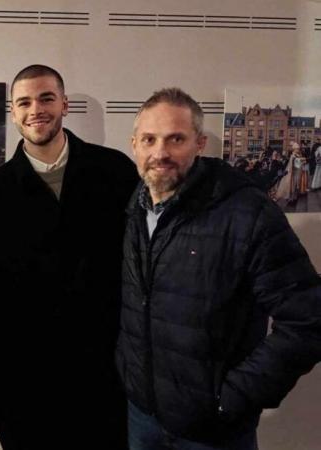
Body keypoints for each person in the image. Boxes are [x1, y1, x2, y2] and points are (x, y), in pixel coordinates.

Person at [117, 87, 321, 450]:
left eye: (175, 139)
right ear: (134, 144)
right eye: (149, 139)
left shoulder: (247, 212)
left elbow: (309, 319)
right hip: (142, 418)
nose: (160, 152)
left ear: (200, 143)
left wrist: (233, 397)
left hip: (213, 432)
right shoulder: (134, 205)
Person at [0, 64, 139, 450]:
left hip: (108, 376)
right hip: (28, 385)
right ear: (14, 112)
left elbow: (143, 263)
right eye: (24, 102)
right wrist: (2, 363)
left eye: (45, 98)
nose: (35, 109)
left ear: (64, 104)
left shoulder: (116, 172)